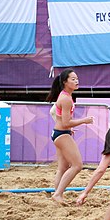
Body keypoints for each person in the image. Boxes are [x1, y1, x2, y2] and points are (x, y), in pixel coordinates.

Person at [46, 69, 94, 205]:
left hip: (60, 133)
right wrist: (84, 120)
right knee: (77, 165)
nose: (76, 81)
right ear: (65, 82)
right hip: (61, 134)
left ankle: (57, 195)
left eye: (77, 78)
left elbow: (62, 120)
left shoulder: (65, 96)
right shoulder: (66, 99)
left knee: (62, 167)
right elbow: (66, 122)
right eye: (73, 79)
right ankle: (58, 194)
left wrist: (70, 127)